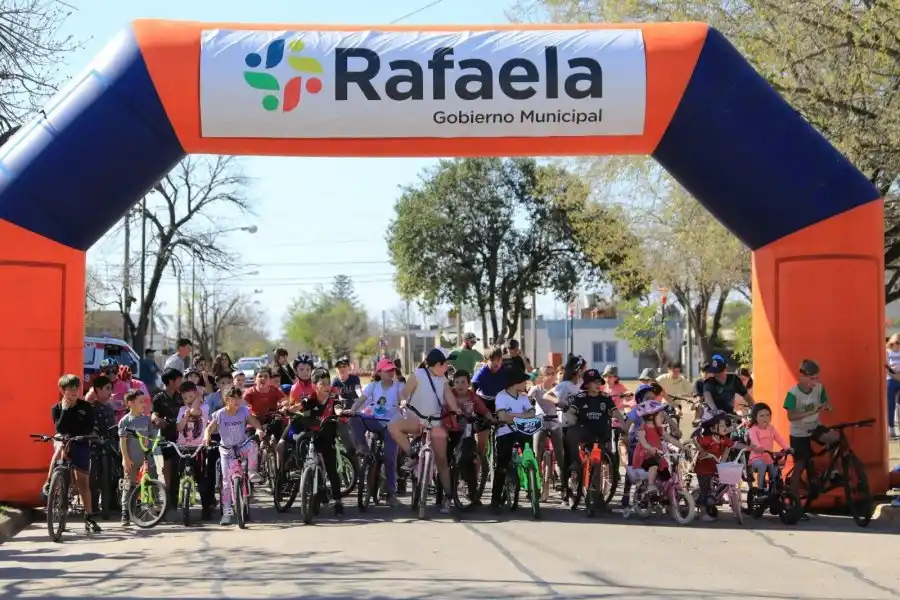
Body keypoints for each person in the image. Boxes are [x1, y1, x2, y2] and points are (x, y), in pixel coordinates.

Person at [388, 348, 462, 516]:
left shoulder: (443, 380)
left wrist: (457, 410)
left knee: (442, 461)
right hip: (416, 419)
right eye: (446, 363)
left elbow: (450, 398)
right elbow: (404, 392)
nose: (448, 366)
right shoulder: (418, 374)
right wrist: (404, 401)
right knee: (393, 426)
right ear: (437, 364)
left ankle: (448, 497)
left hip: (435, 423)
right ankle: (412, 454)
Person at [285, 369, 346, 515]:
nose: (326, 386)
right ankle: (302, 470)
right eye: (322, 383)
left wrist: (339, 412)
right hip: (312, 435)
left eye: (328, 383)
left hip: (327, 437)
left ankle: (337, 500)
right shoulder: (310, 399)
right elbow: (298, 406)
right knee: (299, 440)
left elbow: (338, 407)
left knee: (331, 467)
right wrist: (288, 409)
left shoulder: (333, 398)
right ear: (314, 386)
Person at [564, 369, 628, 507]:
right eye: (594, 382)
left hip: (601, 435)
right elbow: (571, 413)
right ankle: (575, 469)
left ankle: (596, 495)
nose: (597, 384)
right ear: (587, 384)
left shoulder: (605, 398)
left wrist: (623, 424)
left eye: (599, 382)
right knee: (571, 437)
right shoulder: (581, 398)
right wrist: (569, 419)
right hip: (584, 434)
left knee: (598, 462)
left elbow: (616, 412)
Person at [203, 385, 265, 526]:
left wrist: (259, 429)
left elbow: (253, 421)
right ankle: (227, 512)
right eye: (233, 398)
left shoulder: (244, 411)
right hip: (226, 450)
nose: (237, 401)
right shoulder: (219, 414)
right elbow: (209, 428)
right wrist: (206, 437)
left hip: (242, 446)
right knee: (226, 482)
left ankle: (252, 472)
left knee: (253, 446)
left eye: (239, 398)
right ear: (227, 400)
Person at [783, 359, 838, 512]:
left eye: (816, 378)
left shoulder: (819, 388)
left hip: (814, 427)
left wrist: (827, 406)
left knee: (835, 438)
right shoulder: (793, 393)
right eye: (811, 378)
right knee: (800, 465)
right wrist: (811, 411)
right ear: (801, 376)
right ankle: (792, 500)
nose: (815, 381)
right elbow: (791, 416)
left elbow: (827, 403)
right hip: (798, 434)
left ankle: (832, 472)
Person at [349, 358, 405, 506]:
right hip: (374, 420)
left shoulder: (399, 386)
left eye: (392, 370)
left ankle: (391, 493)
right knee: (354, 418)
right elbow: (361, 401)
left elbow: (405, 398)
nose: (391, 373)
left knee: (390, 456)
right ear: (379, 372)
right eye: (387, 370)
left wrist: (404, 403)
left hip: (391, 425)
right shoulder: (373, 386)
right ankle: (363, 448)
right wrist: (352, 410)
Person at [51, 374, 101, 533]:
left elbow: (88, 426)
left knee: (83, 484)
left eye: (76, 388)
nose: (74, 391)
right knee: (58, 447)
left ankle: (89, 517)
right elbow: (59, 427)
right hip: (64, 441)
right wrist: (65, 410)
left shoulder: (85, 407)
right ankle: (49, 483)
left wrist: (78, 434)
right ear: (62, 390)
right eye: (70, 389)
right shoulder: (57, 408)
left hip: (80, 442)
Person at [446, 368, 493, 506]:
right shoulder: (450, 395)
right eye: (457, 382)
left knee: (471, 460)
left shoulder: (473, 397)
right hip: (451, 432)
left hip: (467, 432)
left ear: (468, 384)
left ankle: (473, 493)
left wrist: (490, 419)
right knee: (447, 459)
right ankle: (445, 492)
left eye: (463, 382)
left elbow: (484, 410)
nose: (460, 385)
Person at [693, 409, 750, 522]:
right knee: (706, 491)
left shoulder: (723, 439)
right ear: (713, 428)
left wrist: (749, 448)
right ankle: (703, 512)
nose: (725, 427)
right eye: (722, 425)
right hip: (703, 469)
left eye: (726, 425)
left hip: (716, 467)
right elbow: (695, 439)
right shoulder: (707, 439)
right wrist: (701, 451)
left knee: (722, 484)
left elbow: (734, 444)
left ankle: (715, 499)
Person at [491, 368, 534, 513]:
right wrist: (522, 415)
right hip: (505, 432)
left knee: (529, 452)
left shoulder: (523, 397)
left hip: (522, 431)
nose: (526, 383)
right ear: (515, 383)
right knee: (502, 464)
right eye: (523, 381)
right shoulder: (501, 396)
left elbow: (532, 413)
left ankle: (531, 480)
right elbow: (502, 417)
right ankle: (495, 500)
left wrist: (513, 416)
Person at [545, 355, 585, 505]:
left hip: (578, 425)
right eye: (582, 369)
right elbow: (547, 395)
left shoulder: (581, 384)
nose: (584, 372)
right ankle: (565, 492)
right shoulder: (565, 385)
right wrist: (560, 403)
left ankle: (578, 488)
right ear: (577, 370)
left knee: (576, 459)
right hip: (565, 426)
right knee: (567, 460)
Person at [175, 380, 215, 520]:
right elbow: (179, 428)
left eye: (191, 397)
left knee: (202, 479)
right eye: (185, 398)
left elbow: (195, 411)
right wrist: (185, 416)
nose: (188, 401)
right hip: (184, 447)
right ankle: (181, 502)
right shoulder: (181, 410)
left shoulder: (204, 408)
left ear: (197, 396)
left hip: (199, 448)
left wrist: (198, 398)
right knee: (181, 474)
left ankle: (206, 508)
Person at [118, 389, 156, 525]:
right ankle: (125, 513)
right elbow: (122, 441)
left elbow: (152, 436)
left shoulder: (146, 420)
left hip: (145, 458)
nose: (143, 405)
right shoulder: (125, 421)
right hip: (131, 459)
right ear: (130, 403)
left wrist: (149, 441)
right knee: (129, 485)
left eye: (144, 402)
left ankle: (147, 509)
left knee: (148, 483)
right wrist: (125, 458)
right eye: (140, 402)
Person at [632, 398, 684, 496]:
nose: (663, 418)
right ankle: (650, 485)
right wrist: (650, 448)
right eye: (660, 416)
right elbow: (643, 443)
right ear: (651, 417)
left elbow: (669, 438)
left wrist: (682, 447)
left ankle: (666, 497)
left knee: (667, 478)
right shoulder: (643, 428)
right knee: (654, 464)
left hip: (657, 456)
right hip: (645, 457)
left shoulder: (658, 428)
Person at [151, 368, 187, 509]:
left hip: (183, 437)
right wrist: (157, 420)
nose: (181, 382)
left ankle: (181, 497)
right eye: (179, 379)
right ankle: (169, 499)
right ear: (171, 382)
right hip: (167, 438)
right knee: (168, 469)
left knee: (180, 468)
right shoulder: (159, 397)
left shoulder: (182, 396)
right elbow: (154, 414)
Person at [529, 364, 565, 491]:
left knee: (560, 453)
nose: (551, 376)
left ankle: (564, 482)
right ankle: (534, 484)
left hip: (554, 422)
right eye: (548, 374)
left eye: (553, 373)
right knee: (536, 453)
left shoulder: (557, 389)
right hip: (540, 422)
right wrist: (529, 401)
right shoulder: (536, 389)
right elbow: (529, 397)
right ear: (542, 376)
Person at [747, 402, 790, 492]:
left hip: (769, 458)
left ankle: (774, 491)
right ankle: (760, 489)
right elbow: (754, 441)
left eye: (767, 415)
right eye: (761, 415)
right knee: (762, 465)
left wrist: (787, 448)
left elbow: (780, 439)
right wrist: (759, 447)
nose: (765, 418)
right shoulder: (753, 429)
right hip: (756, 458)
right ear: (755, 417)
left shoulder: (771, 428)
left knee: (775, 472)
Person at [243, 367, 287, 440]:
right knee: (249, 443)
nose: (263, 378)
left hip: (272, 420)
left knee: (281, 436)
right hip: (254, 421)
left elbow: (284, 401)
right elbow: (242, 406)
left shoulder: (274, 390)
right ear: (255, 379)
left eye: (266, 376)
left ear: (270, 380)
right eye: (260, 376)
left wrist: (284, 406)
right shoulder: (250, 392)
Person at [885, 334, 900, 437]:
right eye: (897, 343)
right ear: (892, 343)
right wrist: (893, 375)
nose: (899, 345)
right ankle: (891, 427)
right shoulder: (887, 353)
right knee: (890, 404)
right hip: (891, 379)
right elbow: (886, 368)